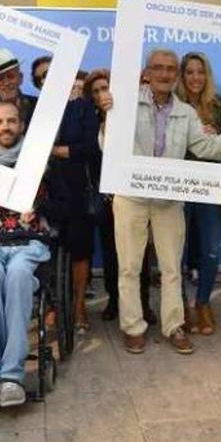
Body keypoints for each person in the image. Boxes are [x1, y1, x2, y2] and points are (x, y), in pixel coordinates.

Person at [118, 49, 221, 355]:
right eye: (159, 68)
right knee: (129, 266)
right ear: (147, 71)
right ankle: (133, 327)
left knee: (171, 268)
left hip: (169, 200)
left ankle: (173, 326)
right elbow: (108, 144)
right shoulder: (126, 102)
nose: (165, 74)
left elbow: (210, 148)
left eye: (171, 69)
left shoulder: (186, 112)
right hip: (131, 196)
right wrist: (108, 118)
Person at [0, 101, 57, 408]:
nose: (6, 126)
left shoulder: (41, 164)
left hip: (29, 241)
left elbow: (66, 206)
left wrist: (41, 208)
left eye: (12, 121)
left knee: (18, 276)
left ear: (21, 126)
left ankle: (13, 374)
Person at [36, 61, 100, 334]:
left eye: (53, 73)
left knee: (80, 251)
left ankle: (78, 309)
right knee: (46, 249)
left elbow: (90, 148)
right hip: (45, 190)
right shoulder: (33, 108)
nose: (49, 79)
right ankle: (52, 307)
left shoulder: (83, 107)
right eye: (42, 77)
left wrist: (51, 150)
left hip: (76, 189)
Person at [84, 69, 153, 324]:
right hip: (105, 196)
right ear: (91, 97)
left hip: (135, 193)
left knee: (141, 253)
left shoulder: (132, 115)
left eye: (106, 88)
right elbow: (92, 153)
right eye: (97, 90)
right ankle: (115, 301)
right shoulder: (88, 120)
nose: (102, 93)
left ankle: (144, 304)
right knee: (111, 253)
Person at [175, 52, 221, 336]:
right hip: (179, 185)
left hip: (211, 185)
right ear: (182, 76)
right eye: (189, 72)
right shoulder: (172, 104)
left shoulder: (220, 105)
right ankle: (181, 306)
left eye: (200, 72)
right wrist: (194, 139)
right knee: (178, 250)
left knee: (210, 249)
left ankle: (204, 303)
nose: (195, 78)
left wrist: (215, 137)